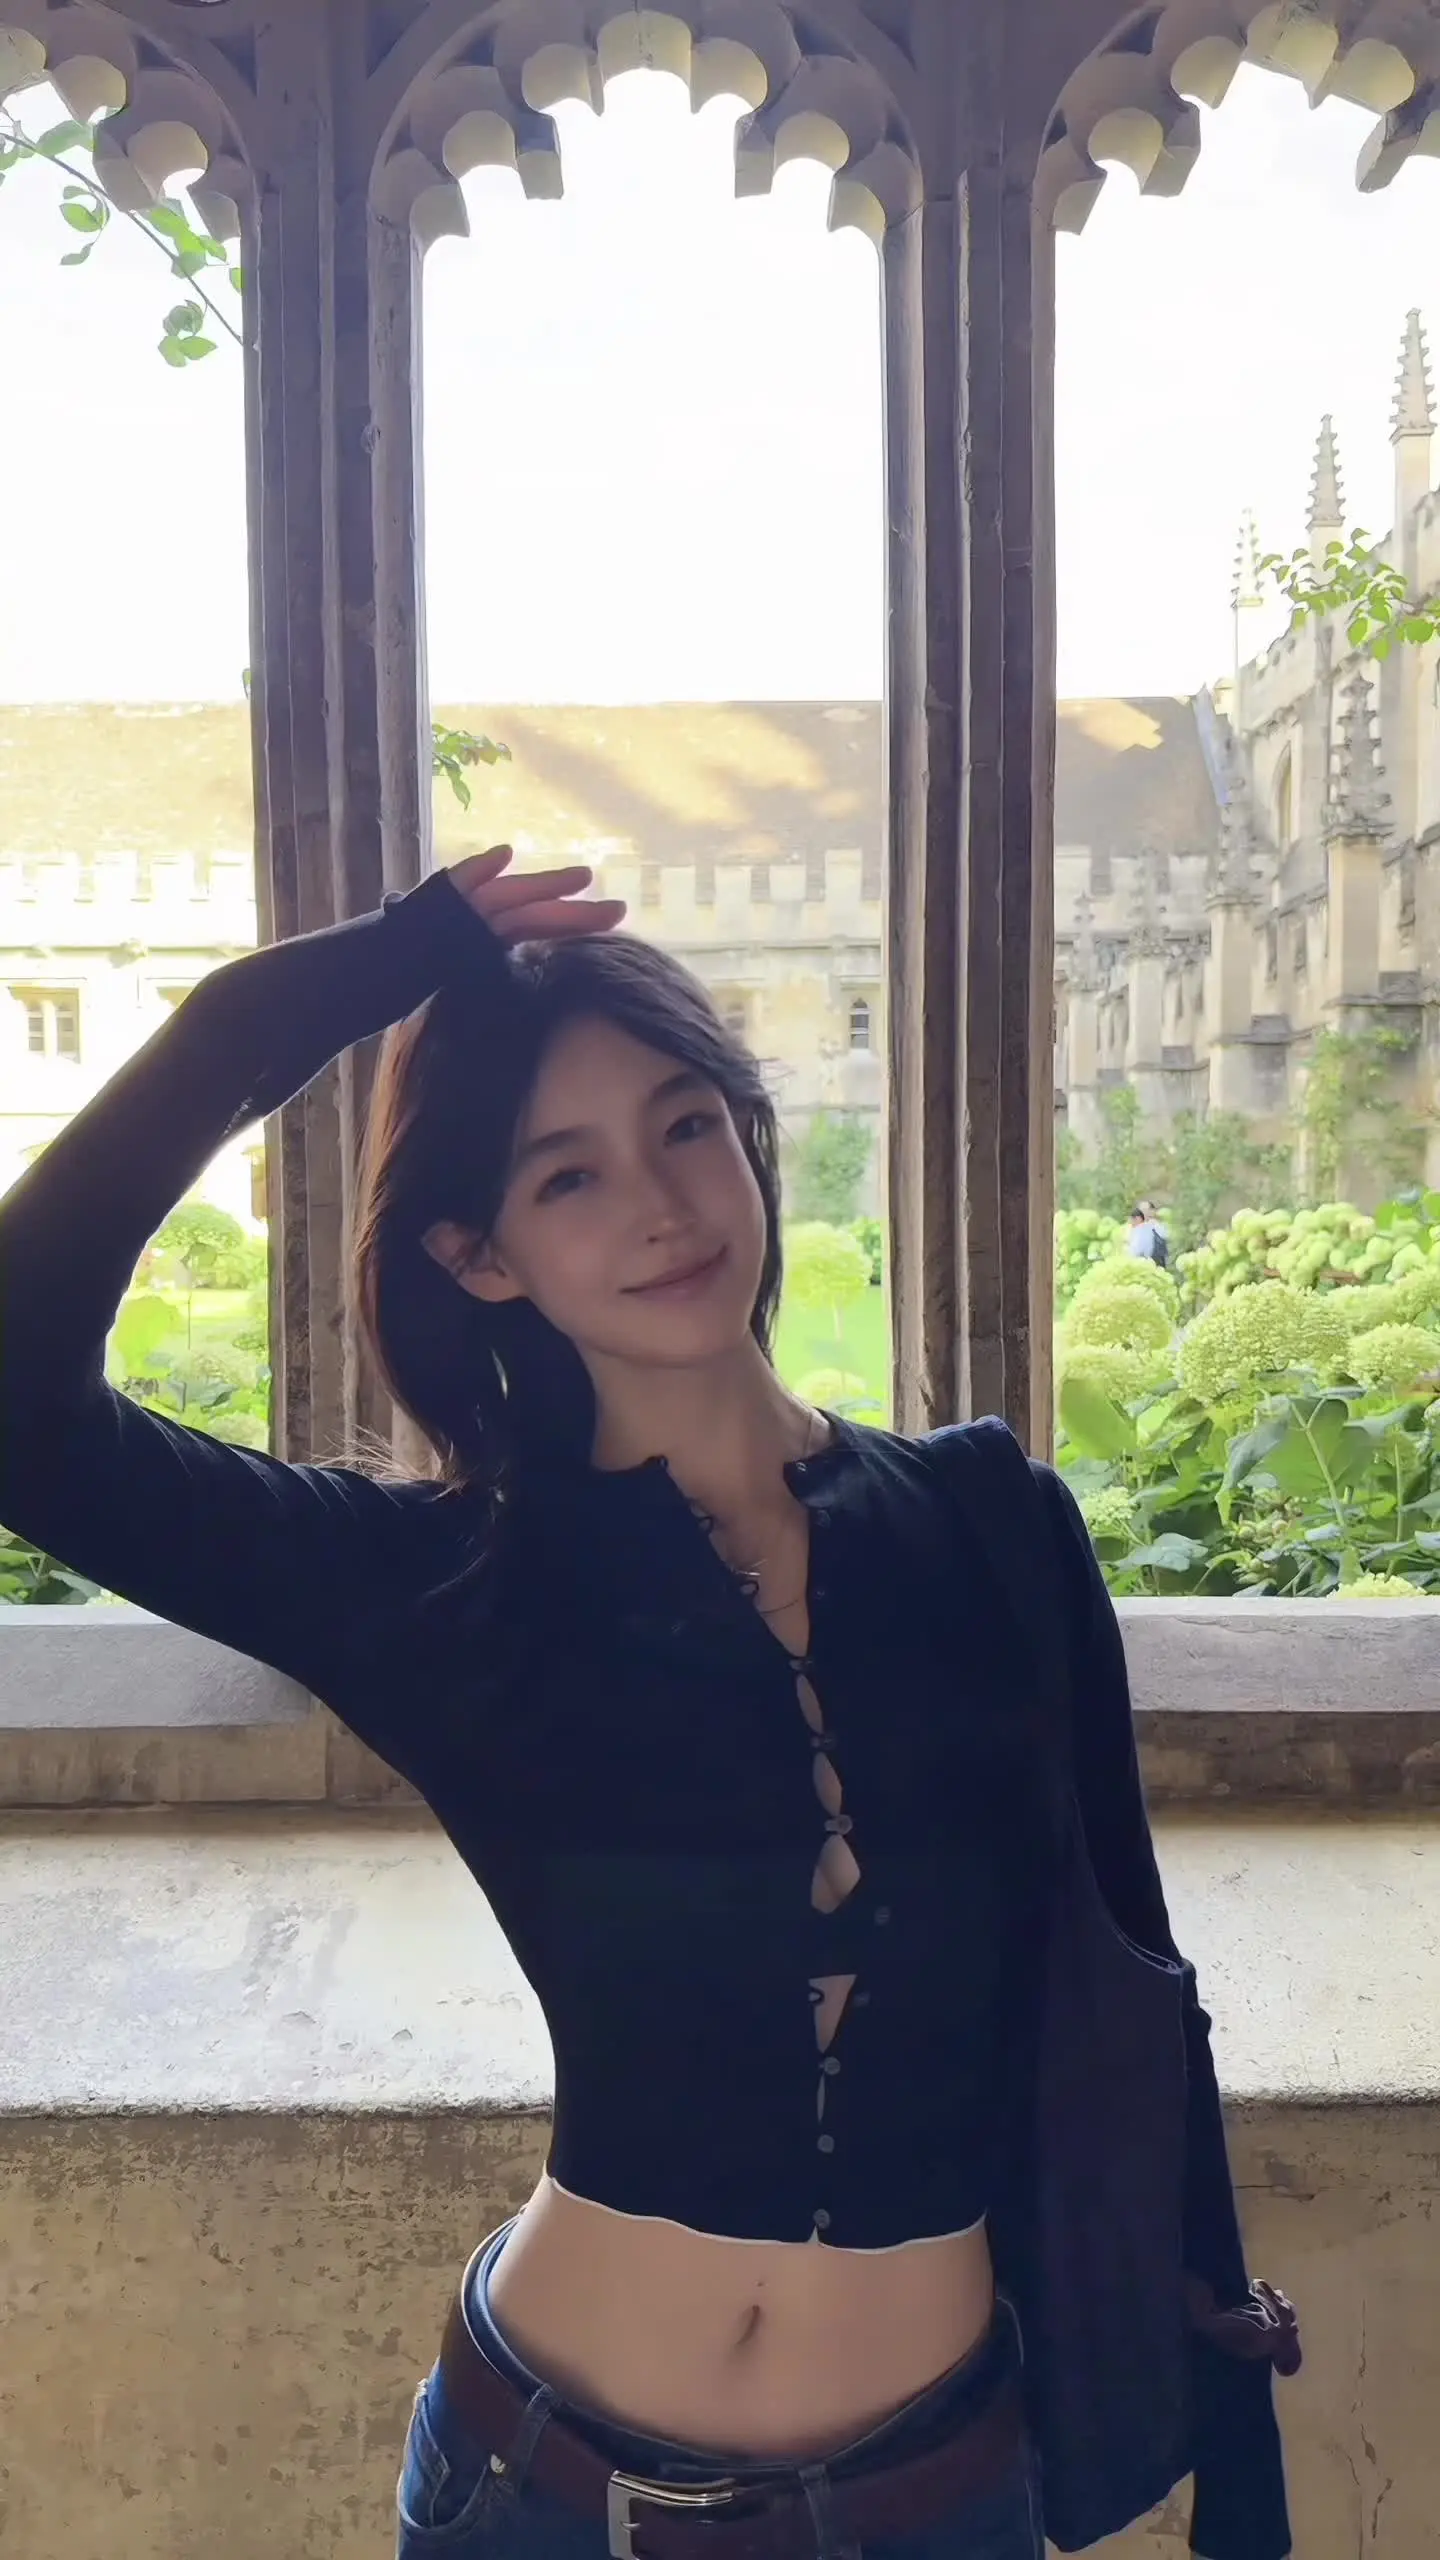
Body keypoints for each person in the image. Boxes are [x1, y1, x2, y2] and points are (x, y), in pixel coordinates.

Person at [0, 846, 1298, 2560]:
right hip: (538, 2491)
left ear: (750, 1138)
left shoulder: (995, 1523)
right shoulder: (433, 1584)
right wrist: (353, 979)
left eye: (686, 1126)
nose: (662, 1206)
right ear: (480, 1255)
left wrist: (1232, 2465)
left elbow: (1131, 1992)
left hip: (936, 2491)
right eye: (569, 1175)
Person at [1128, 1204, 1169, 1268]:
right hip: (1140, 1263)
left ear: (1153, 1211)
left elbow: (1165, 1237)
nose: (1142, 1213)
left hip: (1156, 1263)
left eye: (1145, 1210)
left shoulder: (1158, 1226)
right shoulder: (1136, 1228)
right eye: (1141, 1210)